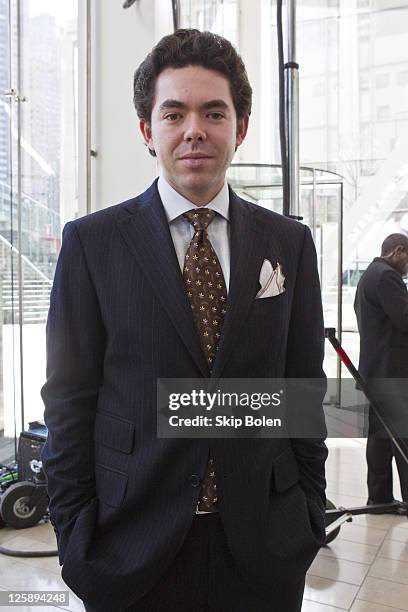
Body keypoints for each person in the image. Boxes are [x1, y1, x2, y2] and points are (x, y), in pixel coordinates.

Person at [41, 29, 327, 612]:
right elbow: (69, 399)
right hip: (131, 543)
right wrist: (74, 531)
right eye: (174, 113)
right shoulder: (92, 244)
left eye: (213, 112)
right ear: (149, 132)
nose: (194, 128)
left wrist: (307, 510)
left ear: (239, 129)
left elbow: (302, 388)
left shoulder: (288, 243)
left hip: (263, 542)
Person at [354, 233, 408, 506]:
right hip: (393, 375)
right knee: (402, 437)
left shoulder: (369, 275)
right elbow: (404, 320)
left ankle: (379, 498)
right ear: (398, 251)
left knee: (380, 438)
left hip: (376, 373)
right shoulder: (387, 276)